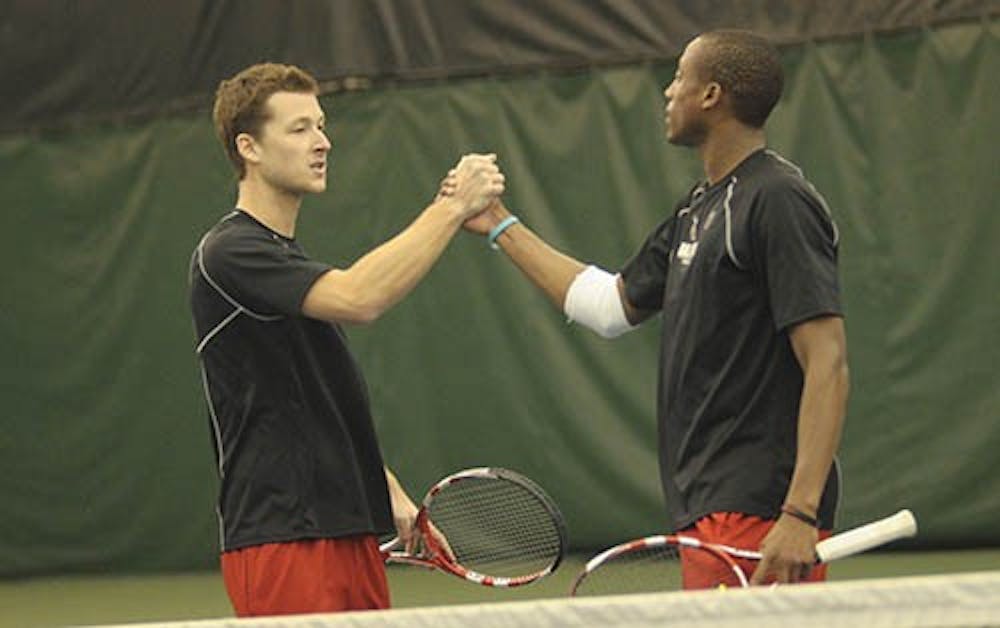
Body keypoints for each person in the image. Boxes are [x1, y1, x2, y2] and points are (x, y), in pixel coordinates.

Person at [458, 30, 848, 588]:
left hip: (760, 510)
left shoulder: (777, 199)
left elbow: (828, 363)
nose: (669, 91)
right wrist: (497, 223)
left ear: (711, 94)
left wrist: (799, 514)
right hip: (706, 508)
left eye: (679, 77)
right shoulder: (697, 208)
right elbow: (609, 306)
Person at [189, 62, 503, 616]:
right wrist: (453, 207)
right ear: (249, 147)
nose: (322, 142)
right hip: (282, 536)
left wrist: (384, 488)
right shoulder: (230, 252)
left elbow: (305, 398)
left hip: (347, 526)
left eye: (322, 125)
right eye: (300, 128)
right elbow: (361, 297)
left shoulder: (288, 262)